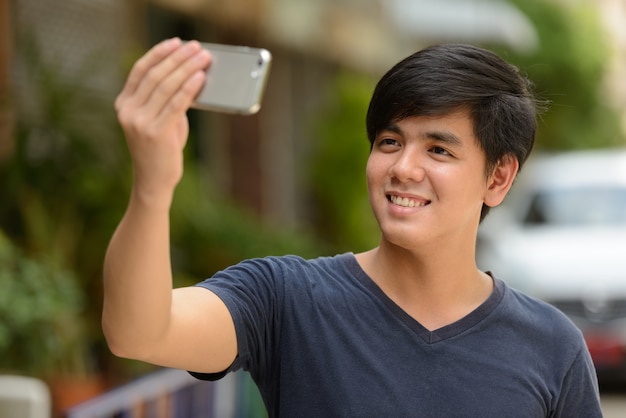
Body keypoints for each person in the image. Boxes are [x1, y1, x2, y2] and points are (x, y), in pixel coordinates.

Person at [103, 38, 602, 417]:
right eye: (389, 142)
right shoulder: (285, 298)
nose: (403, 167)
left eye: (438, 149)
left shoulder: (552, 346)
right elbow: (140, 332)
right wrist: (153, 185)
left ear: (498, 177)